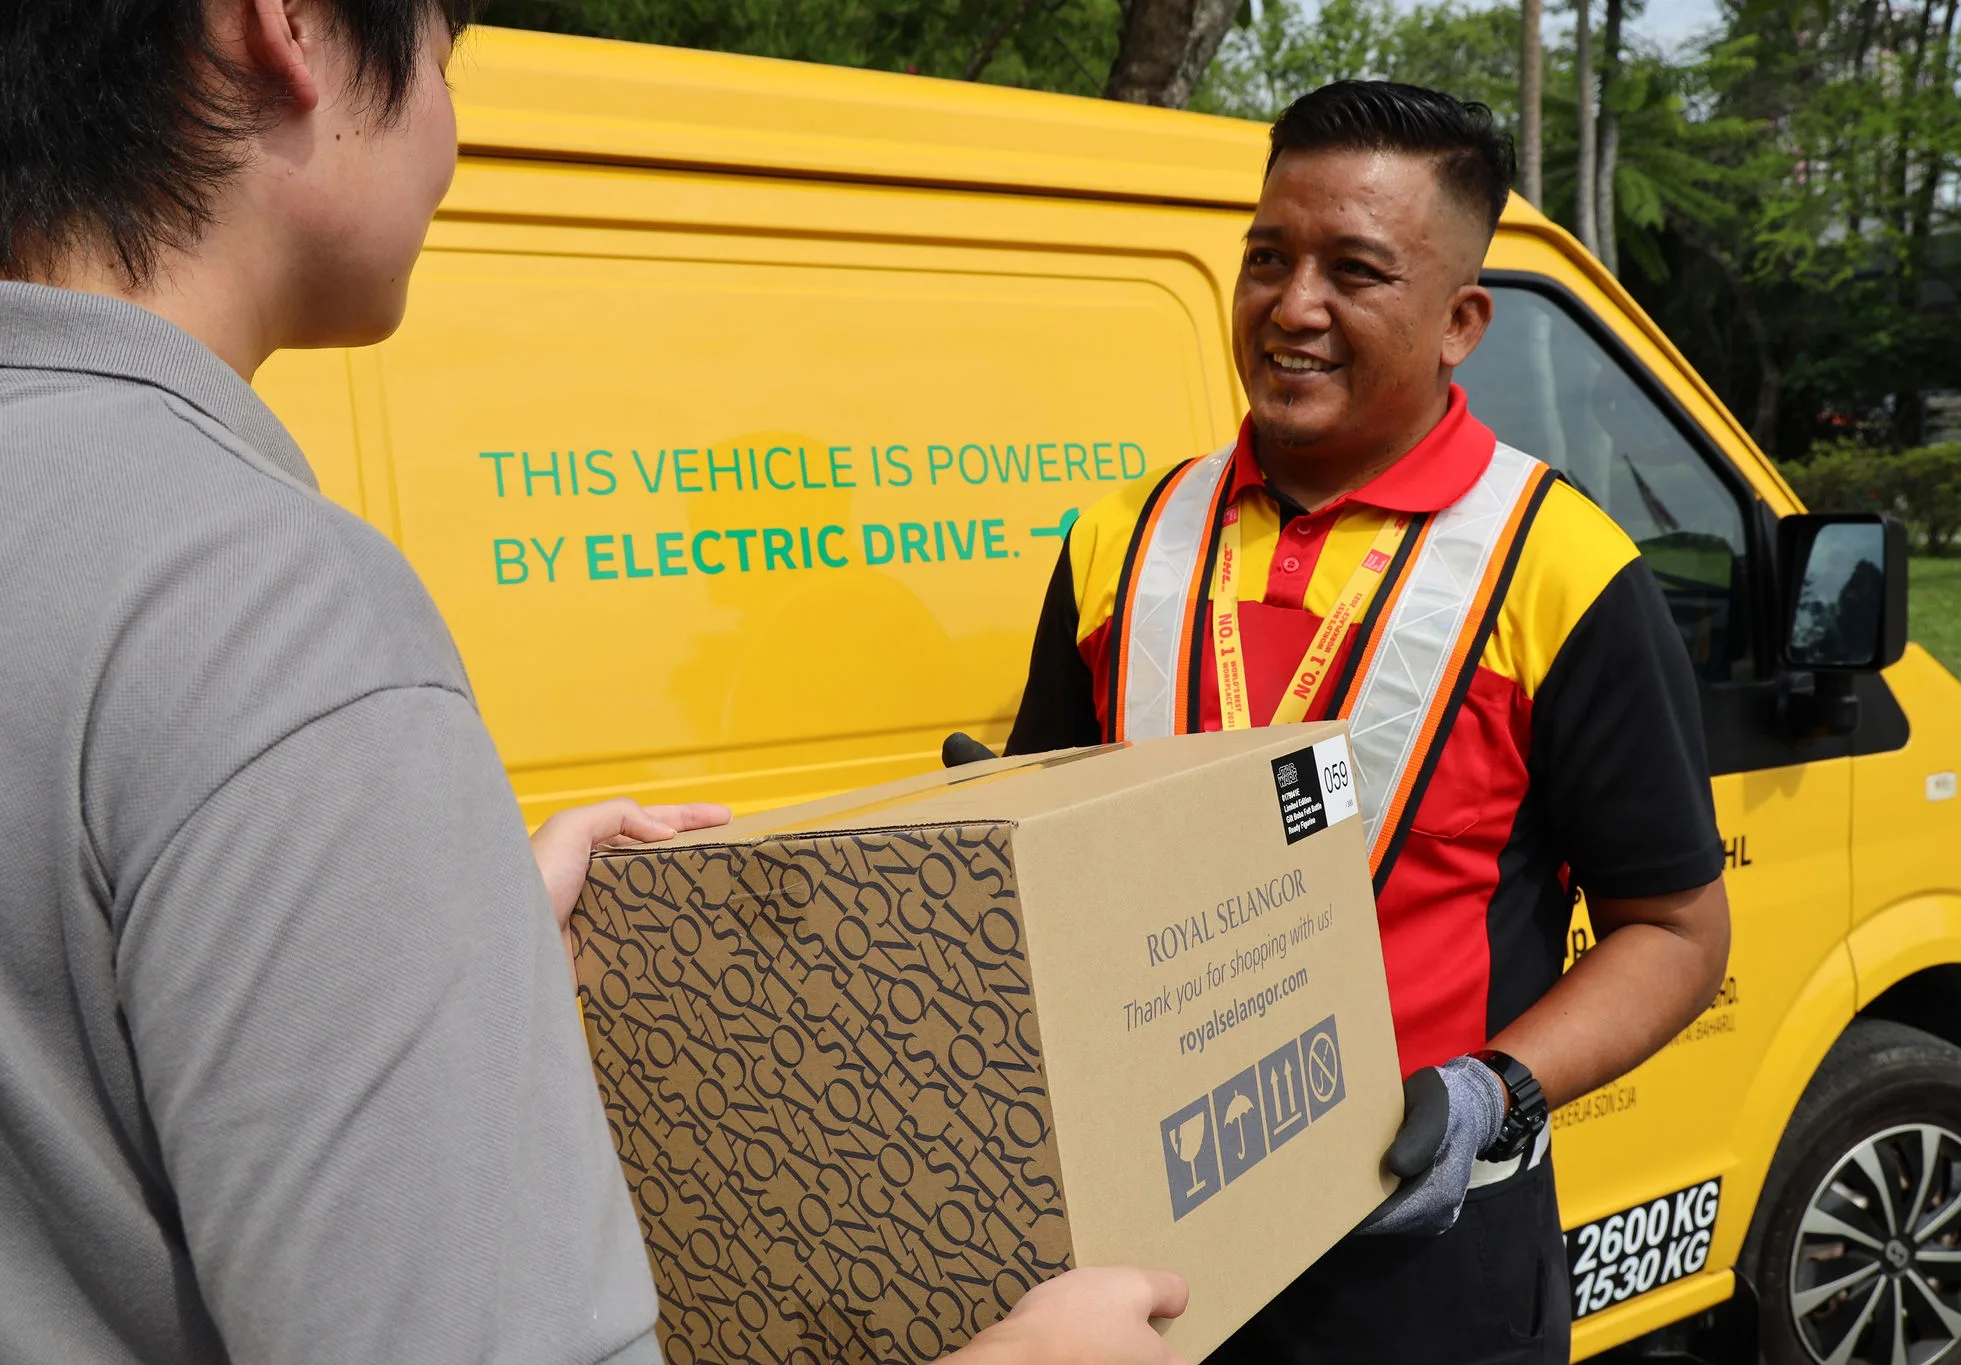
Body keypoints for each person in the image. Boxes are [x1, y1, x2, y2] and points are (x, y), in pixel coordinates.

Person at [0, 2, 1188, 1361]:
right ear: (290, 30)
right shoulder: (262, 604)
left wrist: (453, 937)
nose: (451, 135)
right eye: (449, 63)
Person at [1006, 81, 1732, 1364]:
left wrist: (1488, 1094)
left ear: (1459, 322)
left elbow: (1672, 930)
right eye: (1266, 257)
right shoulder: (1119, 537)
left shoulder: (1561, 567)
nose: (1292, 307)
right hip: (1139, 1262)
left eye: (1353, 270)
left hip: (1419, 1266)